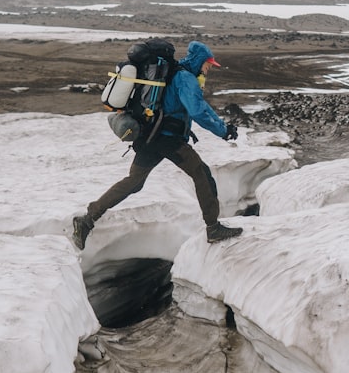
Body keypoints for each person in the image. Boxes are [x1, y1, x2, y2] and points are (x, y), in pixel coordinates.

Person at [72, 40, 242, 249]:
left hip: (148, 136)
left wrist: (217, 126)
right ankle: (213, 228)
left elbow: (192, 106)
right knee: (202, 174)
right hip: (167, 139)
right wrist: (223, 131)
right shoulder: (185, 78)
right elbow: (198, 111)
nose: (208, 69)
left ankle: (87, 219)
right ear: (200, 61)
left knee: (134, 182)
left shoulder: (173, 73)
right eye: (208, 65)